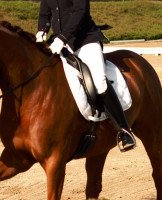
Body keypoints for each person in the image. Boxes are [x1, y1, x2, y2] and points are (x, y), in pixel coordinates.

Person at [36, 0, 136, 151]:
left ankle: (124, 129)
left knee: (99, 81)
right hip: (61, 44)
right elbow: (45, 14)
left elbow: (80, 12)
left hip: (85, 40)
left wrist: (63, 38)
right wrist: (41, 30)